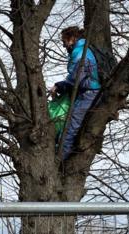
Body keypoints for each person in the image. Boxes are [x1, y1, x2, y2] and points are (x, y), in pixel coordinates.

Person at [50, 26, 101, 160]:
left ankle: (59, 159)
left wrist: (60, 86)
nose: (63, 44)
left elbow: (77, 77)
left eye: (64, 40)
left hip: (89, 93)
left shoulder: (80, 52)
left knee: (70, 127)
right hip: (87, 91)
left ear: (72, 38)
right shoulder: (82, 50)